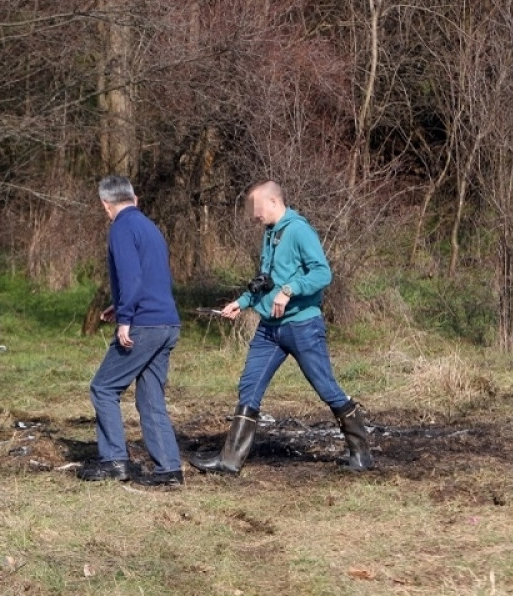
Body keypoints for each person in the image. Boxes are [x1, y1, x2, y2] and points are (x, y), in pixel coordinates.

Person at [189, 180, 373, 475]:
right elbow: (267, 281)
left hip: (302, 326)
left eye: (256, 208)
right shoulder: (269, 234)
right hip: (269, 330)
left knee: (326, 387)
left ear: (273, 202)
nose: (253, 215)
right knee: (249, 387)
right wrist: (243, 301)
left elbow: (322, 273)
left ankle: (361, 451)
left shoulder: (299, 230)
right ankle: (229, 460)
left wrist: (290, 290)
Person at [77, 175, 184, 487]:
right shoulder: (150, 227)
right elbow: (153, 276)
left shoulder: (121, 228)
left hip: (143, 324)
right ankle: (169, 470)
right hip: (167, 322)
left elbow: (132, 277)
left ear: (105, 205)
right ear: (134, 198)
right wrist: (120, 305)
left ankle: (113, 460)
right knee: (151, 398)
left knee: (104, 388)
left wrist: (126, 318)